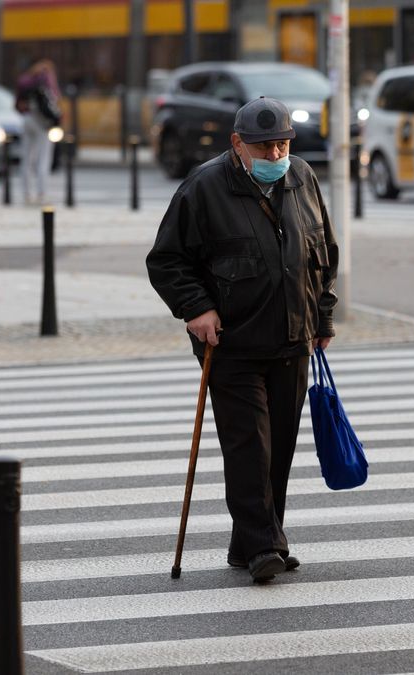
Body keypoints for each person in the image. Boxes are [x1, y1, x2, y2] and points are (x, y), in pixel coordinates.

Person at [146, 97, 339, 583]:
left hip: (293, 338)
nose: (276, 155)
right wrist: (197, 308)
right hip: (231, 344)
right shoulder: (205, 186)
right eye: (264, 146)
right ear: (237, 144)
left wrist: (323, 318)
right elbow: (167, 260)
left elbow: (323, 254)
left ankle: (247, 540)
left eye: (282, 144)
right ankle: (265, 546)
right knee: (249, 446)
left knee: (279, 447)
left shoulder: (303, 178)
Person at [15, 59, 61, 205]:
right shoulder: (46, 79)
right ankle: (42, 193)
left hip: (27, 119)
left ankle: (26, 194)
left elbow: (17, 104)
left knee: (27, 159)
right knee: (43, 158)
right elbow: (54, 100)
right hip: (42, 122)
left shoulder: (25, 81)